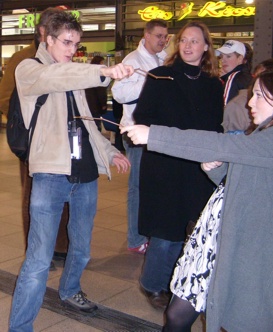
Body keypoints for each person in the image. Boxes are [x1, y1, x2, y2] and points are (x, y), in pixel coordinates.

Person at [121, 67, 273, 332]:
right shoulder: (264, 135)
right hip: (218, 240)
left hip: (253, 249)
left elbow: (222, 145)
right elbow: (244, 184)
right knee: (179, 313)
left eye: (258, 95)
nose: (249, 102)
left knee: (246, 320)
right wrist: (217, 170)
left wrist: (154, 135)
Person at [9, 11, 132, 332]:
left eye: (76, 44)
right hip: (50, 175)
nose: (71, 49)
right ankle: (21, 327)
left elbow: (86, 123)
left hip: (85, 174)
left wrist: (109, 150)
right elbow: (58, 76)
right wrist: (103, 70)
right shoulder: (29, 69)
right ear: (44, 37)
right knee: (37, 261)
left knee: (81, 247)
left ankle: (70, 289)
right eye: (66, 42)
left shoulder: (74, 73)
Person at [133, 21, 224, 310]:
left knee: (191, 228)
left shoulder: (213, 84)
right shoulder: (161, 76)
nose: (187, 45)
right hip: (165, 164)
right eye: (184, 40)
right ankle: (153, 283)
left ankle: (178, 282)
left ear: (206, 47)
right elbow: (142, 116)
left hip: (197, 165)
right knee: (166, 229)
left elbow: (216, 126)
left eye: (195, 41)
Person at [0, 7, 69, 270]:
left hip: (62, 140)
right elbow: (5, 98)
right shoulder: (22, 58)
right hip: (33, 142)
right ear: (42, 31)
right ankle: (38, 250)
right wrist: (26, 124)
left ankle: (61, 245)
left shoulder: (63, 57)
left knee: (62, 193)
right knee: (34, 196)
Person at [111, 19, 168, 254]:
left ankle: (151, 232)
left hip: (157, 132)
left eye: (165, 37)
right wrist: (150, 84)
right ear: (146, 35)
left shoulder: (164, 59)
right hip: (135, 132)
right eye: (158, 36)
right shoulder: (132, 61)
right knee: (137, 187)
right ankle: (135, 239)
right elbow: (118, 93)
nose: (163, 41)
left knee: (155, 186)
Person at [222, 58, 273, 134]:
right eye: (255, 78)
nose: (250, 103)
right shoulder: (238, 104)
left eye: (259, 95)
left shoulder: (237, 105)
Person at [216, 40, 253, 105]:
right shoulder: (248, 77)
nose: (222, 60)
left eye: (228, 56)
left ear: (240, 59)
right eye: (221, 57)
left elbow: (225, 108)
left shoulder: (232, 78)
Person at [85, 55, 108, 131]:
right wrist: (103, 104)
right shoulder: (100, 74)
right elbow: (101, 92)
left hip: (89, 102)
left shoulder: (89, 72)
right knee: (97, 124)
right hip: (96, 104)